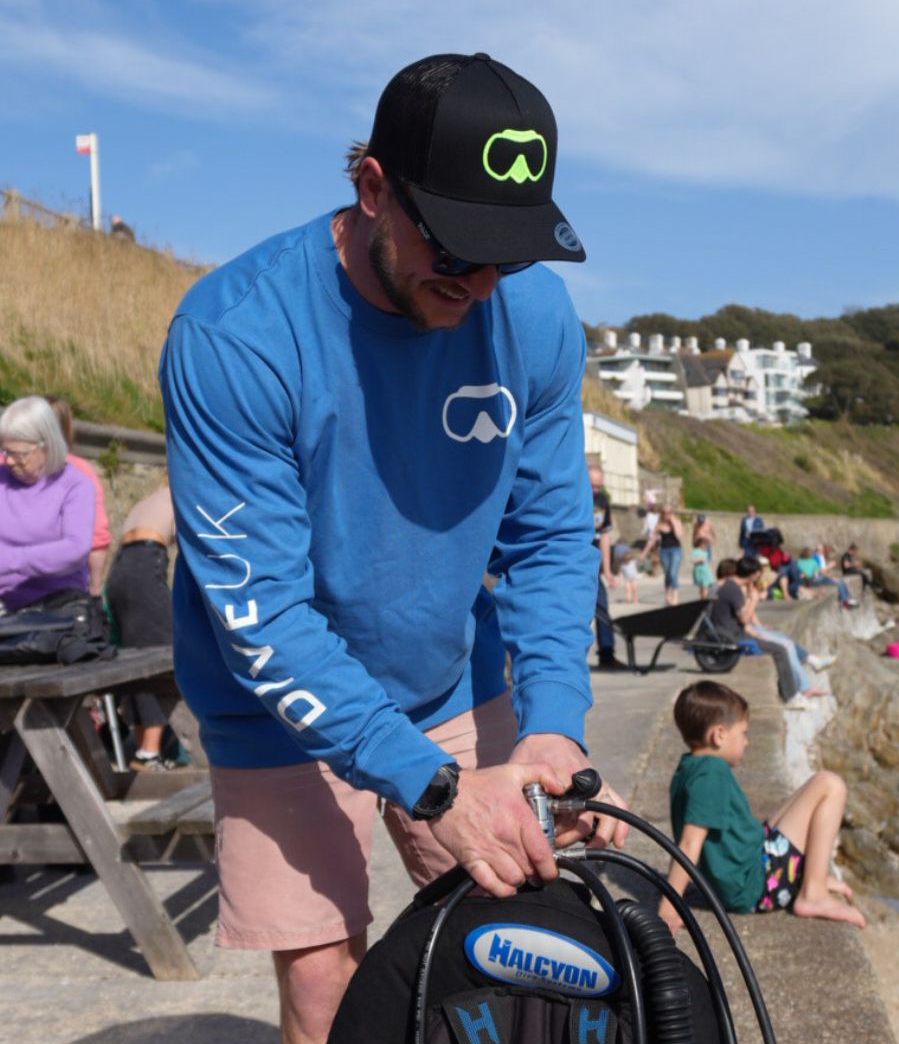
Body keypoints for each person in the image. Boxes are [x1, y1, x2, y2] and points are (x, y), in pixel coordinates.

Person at [159, 52, 627, 1042]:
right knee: (329, 983)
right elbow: (265, 614)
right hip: (276, 703)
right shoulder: (236, 335)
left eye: (507, 254)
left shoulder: (530, 319)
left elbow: (548, 538)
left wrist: (554, 723)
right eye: (455, 250)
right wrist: (425, 785)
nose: (480, 283)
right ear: (372, 187)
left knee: (500, 936)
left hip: (449, 672)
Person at [658, 680, 865, 930]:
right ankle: (814, 893)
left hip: (751, 868)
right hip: (758, 886)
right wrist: (669, 907)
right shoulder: (711, 775)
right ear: (719, 735)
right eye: (743, 733)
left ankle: (812, 875)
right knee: (830, 785)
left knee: (810, 789)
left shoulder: (690, 766)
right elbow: (690, 842)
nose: (746, 742)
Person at [105, 478, 179, 771]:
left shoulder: (147, 501)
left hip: (120, 570)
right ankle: (149, 753)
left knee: (136, 658)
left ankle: (142, 748)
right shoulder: (183, 492)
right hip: (146, 566)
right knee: (163, 655)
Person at [1, 396, 94, 612]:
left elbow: (76, 549)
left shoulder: (76, 485)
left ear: (47, 445)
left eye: (20, 454)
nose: (10, 461)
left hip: (55, 604)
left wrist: (11, 561)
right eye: (6, 452)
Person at [707, 557, 831, 703]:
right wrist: (753, 600)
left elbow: (741, 621)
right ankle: (791, 696)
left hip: (737, 632)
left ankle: (802, 688)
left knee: (783, 642)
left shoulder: (731, 586)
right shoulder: (733, 590)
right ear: (753, 574)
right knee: (781, 650)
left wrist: (757, 632)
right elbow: (744, 619)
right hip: (734, 636)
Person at [44, 395, 112, 597]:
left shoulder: (6, 464)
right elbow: (97, 538)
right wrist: (95, 589)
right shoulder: (80, 471)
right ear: (66, 427)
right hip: (61, 590)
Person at [590, 462, 625, 670]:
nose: (595, 490)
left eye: (598, 486)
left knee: (602, 607)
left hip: (594, 565)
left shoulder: (602, 500)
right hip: (575, 560)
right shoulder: (574, 496)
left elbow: (604, 536)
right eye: (592, 485)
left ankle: (607, 654)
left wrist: (608, 570)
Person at [644, 504, 684, 605]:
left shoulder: (677, 522)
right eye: (665, 513)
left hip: (676, 550)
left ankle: (675, 597)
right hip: (664, 551)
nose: (667, 515)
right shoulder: (659, 525)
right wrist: (644, 552)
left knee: (673, 573)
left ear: (672, 513)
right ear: (662, 514)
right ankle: (667, 596)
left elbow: (679, 536)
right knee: (667, 574)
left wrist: (673, 523)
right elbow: (652, 540)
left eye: (669, 513)